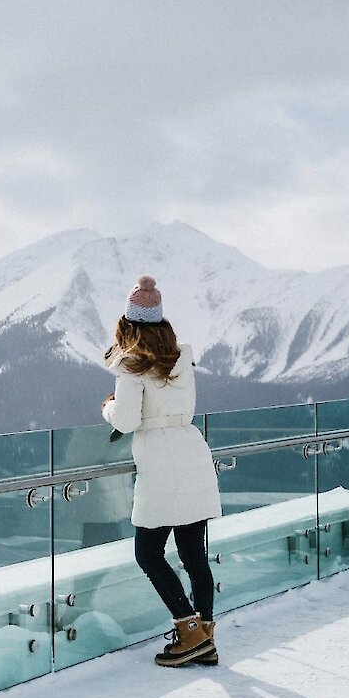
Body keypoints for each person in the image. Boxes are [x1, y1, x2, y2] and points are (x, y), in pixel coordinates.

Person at [102, 276, 223, 668]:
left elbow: (126, 420)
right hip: (192, 450)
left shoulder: (131, 367)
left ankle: (187, 632)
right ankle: (205, 634)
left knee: (148, 552)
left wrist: (107, 406)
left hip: (160, 462)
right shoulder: (180, 358)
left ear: (128, 324)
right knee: (193, 554)